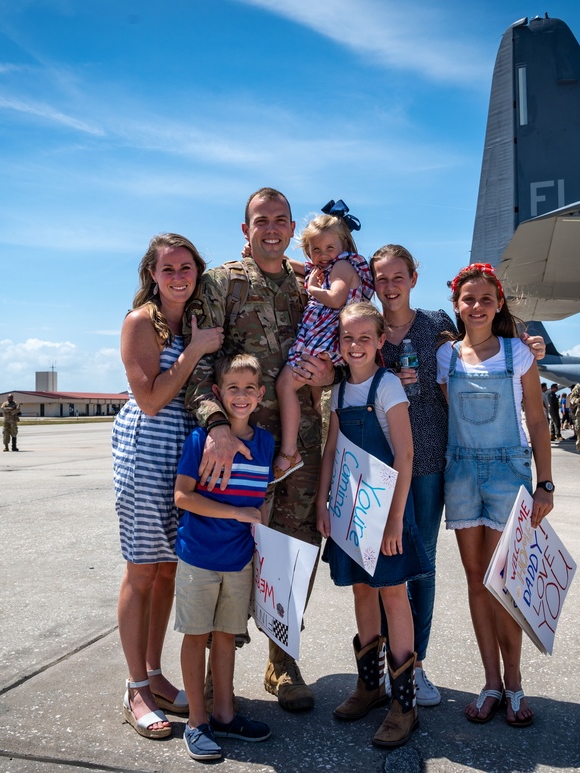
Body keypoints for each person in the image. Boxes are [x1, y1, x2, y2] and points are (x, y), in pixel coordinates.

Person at [185, 187, 334, 713]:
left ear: (293, 228)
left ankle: (282, 659)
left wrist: (331, 372)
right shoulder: (221, 282)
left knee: (295, 551)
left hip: (300, 447)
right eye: (260, 220)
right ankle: (211, 670)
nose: (271, 228)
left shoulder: (312, 285)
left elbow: (338, 345)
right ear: (245, 229)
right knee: (225, 548)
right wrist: (218, 428)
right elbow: (198, 367)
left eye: (281, 220)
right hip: (239, 446)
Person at [112, 233, 224, 741]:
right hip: (146, 446)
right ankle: (135, 687)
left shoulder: (193, 317)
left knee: (166, 572)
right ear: (152, 276)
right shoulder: (141, 322)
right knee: (140, 570)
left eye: (186, 267)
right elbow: (152, 400)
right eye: (168, 269)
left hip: (184, 450)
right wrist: (197, 349)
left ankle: (155, 673)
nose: (179, 276)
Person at [436, 263, 554, 728]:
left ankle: (515, 683)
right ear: (457, 306)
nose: (477, 306)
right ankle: (489, 683)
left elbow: (539, 421)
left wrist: (545, 485)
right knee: (475, 578)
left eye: (486, 299)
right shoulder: (445, 357)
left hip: (510, 473)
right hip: (461, 472)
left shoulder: (519, 355)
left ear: (499, 303)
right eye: (469, 299)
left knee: (507, 582)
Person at [316, 302, 431, 748]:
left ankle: (405, 705)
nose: (356, 345)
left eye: (365, 338)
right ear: (339, 344)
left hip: (386, 512)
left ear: (381, 341)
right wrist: (326, 503)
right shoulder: (340, 392)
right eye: (348, 338)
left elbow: (405, 454)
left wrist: (395, 522)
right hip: (350, 508)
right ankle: (370, 686)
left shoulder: (387, 389)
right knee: (362, 591)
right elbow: (330, 451)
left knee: (393, 595)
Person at [174, 354, 274, 760]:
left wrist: (263, 544)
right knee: (197, 636)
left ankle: (225, 714)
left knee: (226, 637)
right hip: (199, 556)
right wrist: (235, 513)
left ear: (261, 394)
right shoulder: (200, 440)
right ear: (218, 393)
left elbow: (261, 500)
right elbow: (183, 495)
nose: (242, 395)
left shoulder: (265, 443)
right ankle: (196, 722)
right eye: (233, 388)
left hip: (240, 560)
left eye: (250, 388)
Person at [369, 244, 457, 707]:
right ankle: (385, 664)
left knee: (421, 566)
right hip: (378, 464)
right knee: (384, 570)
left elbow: (480, 346)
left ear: (413, 278)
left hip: (426, 463)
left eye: (397, 276)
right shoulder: (368, 328)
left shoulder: (436, 323)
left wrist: (523, 343)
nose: (389, 285)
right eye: (381, 278)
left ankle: (415, 664)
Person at [274, 201, 374, 482]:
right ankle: (311, 444)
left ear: (343, 244)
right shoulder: (332, 265)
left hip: (321, 341)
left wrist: (315, 289)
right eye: (315, 250)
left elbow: (336, 298)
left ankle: (290, 451)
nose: (322, 255)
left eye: (329, 248)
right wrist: (278, 261)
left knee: (285, 385)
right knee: (314, 398)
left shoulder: (341, 265)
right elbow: (302, 268)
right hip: (324, 340)